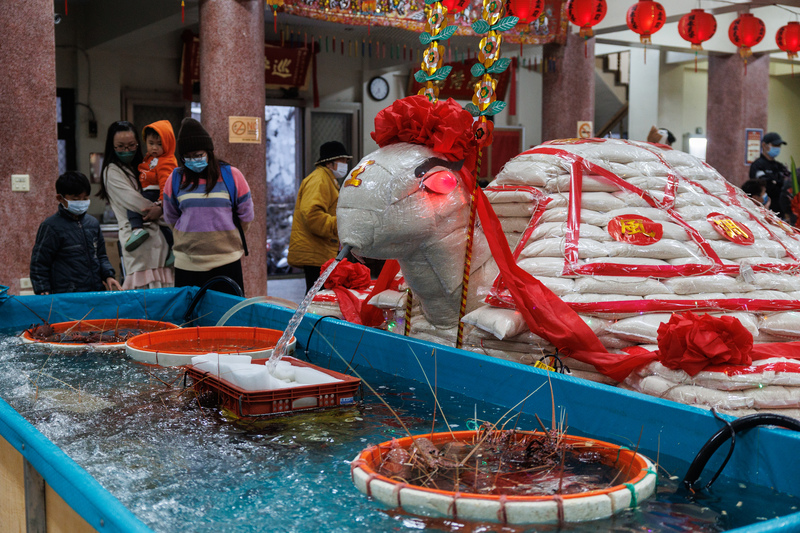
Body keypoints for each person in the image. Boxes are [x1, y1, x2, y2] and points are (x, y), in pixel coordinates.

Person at [163, 118, 254, 295]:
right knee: (191, 318)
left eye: (197, 155)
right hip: (187, 264)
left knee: (227, 318)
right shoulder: (174, 179)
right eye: (187, 157)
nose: (193, 160)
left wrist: (224, 236)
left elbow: (246, 215)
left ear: (209, 152)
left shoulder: (231, 175)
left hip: (226, 262)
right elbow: (171, 217)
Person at [98, 121, 173, 290]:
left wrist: (162, 208)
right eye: (121, 146)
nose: (127, 151)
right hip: (139, 245)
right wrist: (165, 210)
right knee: (144, 302)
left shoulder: (145, 166)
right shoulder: (112, 171)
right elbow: (140, 205)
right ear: (112, 146)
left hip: (162, 245)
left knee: (166, 301)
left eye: (131, 145)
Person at [30, 171, 122, 295]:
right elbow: (39, 263)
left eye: (85, 198)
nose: (81, 202)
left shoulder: (93, 224)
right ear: (60, 198)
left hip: (95, 292)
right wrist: (43, 289)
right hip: (67, 295)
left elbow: (101, 256)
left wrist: (108, 275)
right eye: (75, 199)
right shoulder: (51, 227)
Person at [288, 141, 352, 291]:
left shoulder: (327, 179)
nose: (345, 164)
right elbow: (312, 216)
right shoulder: (320, 180)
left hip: (319, 251)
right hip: (315, 252)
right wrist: (341, 223)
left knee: (316, 299)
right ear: (330, 163)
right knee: (316, 302)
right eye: (342, 161)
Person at [125, 121, 177, 263]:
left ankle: (136, 229)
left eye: (159, 144)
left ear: (168, 143)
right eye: (151, 143)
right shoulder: (151, 159)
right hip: (152, 192)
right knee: (162, 226)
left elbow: (166, 184)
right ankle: (173, 248)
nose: (154, 147)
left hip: (155, 194)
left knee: (133, 207)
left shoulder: (166, 161)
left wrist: (161, 202)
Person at [749, 132, 790, 218]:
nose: (777, 148)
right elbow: (766, 186)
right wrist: (778, 182)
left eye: (779, 146)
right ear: (764, 145)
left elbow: (788, 185)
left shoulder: (780, 166)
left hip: (780, 212)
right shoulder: (757, 165)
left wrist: (776, 182)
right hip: (764, 212)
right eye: (775, 145)